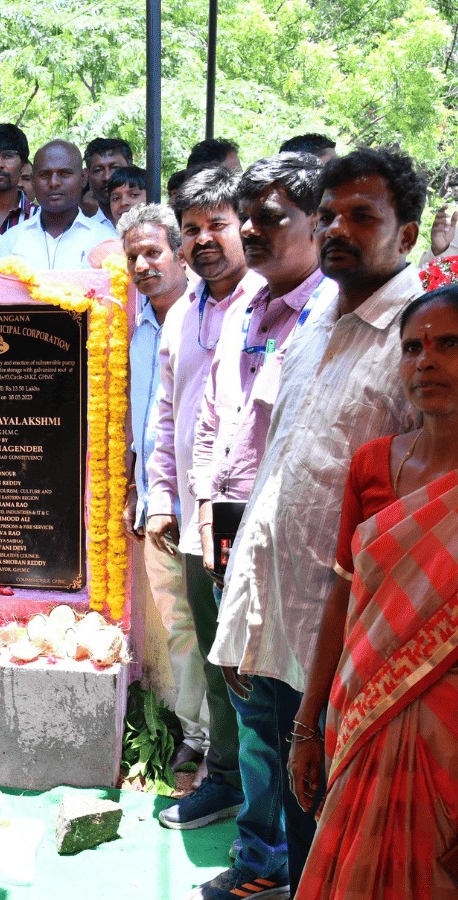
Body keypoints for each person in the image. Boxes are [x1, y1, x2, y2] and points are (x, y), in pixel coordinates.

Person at [209, 147, 426, 896]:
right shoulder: (318, 316)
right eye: (329, 215)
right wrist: (244, 605)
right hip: (282, 616)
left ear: (407, 232)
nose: (336, 229)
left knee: (350, 830)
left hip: (361, 634)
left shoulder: (422, 337)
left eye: (361, 216)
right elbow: (279, 469)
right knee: (301, 815)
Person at [187, 153, 337, 899]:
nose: (251, 231)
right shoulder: (246, 308)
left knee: (295, 721)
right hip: (230, 534)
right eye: (246, 218)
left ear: (317, 224)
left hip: (296, 552)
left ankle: (300, 869)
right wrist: (203, 511)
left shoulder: (331, 315)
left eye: (270, 218)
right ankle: (262, 859)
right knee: (251, 713)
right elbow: (214, 421)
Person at [290, 285, 458, 900]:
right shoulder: (371, 464)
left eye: (449, 344)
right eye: (413, 348)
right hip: (361, 716)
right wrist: (306, 726)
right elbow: (342, 599)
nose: (426, 361)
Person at [146, 166, 265, 842]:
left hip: (256, 515)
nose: (204, 240)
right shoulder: (182, 314)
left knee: (261, 666)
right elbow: (166, 415)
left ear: (244, 227)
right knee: (219, 655)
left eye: (217, 224)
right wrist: (162, 498)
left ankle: (272, 803)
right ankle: (224, 779)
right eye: (191, 229)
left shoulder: (270, 303)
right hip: (199, 521)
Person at [117, 204, 209, 783]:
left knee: (214, 626)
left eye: (153, 252)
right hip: (156, 502)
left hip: (204, 502)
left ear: (179, 253)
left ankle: (230, 746)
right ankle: (196, 736)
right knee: (178, 622)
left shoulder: (209, 316)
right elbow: (143, 421)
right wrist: (138, 488)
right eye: (133, 256)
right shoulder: (137, 328)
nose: (143, 265)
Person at [0, 140, 117, 270]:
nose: (53, 183)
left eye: (65, 174)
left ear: (83, 177)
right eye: (44, 175)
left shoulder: (106, 241)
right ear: (33, 180)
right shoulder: (10, 242)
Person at [85, 137, 134, 225]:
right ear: (88, 176)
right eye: (98, 170)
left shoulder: (152, 222)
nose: (107, 177)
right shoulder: (84, 230)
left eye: (115, 168)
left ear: (130, 169)